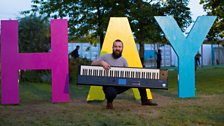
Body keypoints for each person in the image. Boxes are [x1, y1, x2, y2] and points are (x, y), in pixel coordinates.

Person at [91, 39, 157, 109]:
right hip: (109, 84)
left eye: (119, 47)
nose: (117, 48)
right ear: (112, 47)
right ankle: (109, 102)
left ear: (122, 48)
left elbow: (127, 75)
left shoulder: (123, 60)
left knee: (139, 80)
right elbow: (92, 64)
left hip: (120, 83)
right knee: (111, 92)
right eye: (115, 46)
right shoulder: (105, 57)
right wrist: (101, 62)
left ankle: (145, 101)